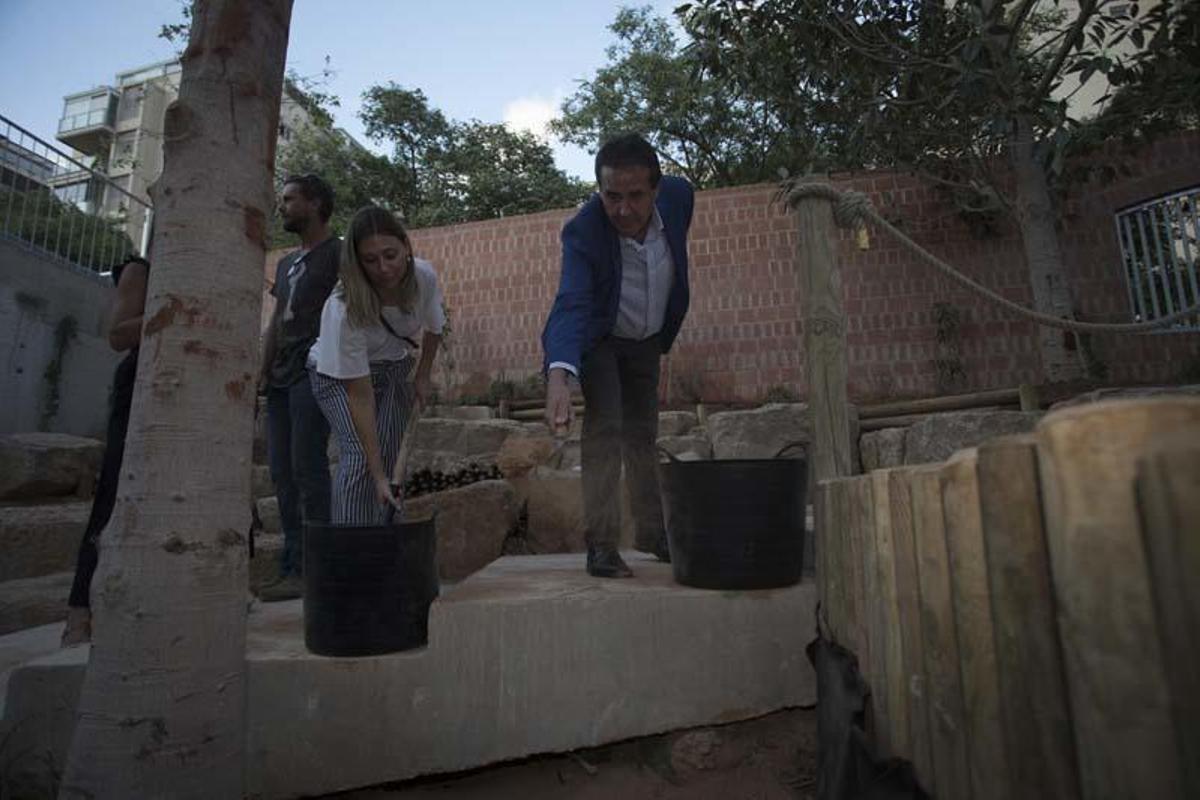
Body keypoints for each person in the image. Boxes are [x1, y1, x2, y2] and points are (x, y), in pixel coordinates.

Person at [541, 133, 694, 578]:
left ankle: (652, 532)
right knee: (607, 425)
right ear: (598, 190)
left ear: (657, 190)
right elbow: (571, 301)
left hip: (646, 338)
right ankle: (602, 546)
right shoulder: (584, 230)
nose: (623, 210)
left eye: (635, 196)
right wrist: (558, 377)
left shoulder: (681, 197)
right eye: (612, 197)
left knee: (642, 434)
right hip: (600, 337)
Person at [308, 206, 444, 523]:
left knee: (393, 453)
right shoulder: (344, 308)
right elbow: (360, 394)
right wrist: (379, 475)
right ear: (358, 262)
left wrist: (423, 375)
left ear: (406, 247)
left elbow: (435, 329)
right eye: (370, 260)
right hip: (337, 376)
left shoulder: (423, 277)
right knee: (360, 457)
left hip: (393, 367)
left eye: (391, 254)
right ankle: (352, 550)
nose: (384, 268)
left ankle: (386, 541)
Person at [257, 174, 339, 601]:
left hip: (315, 371)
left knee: (308, 468)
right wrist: (262, 368)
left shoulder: (339, 255)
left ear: (315, 202)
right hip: (280, 377)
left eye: (290, 200)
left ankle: (316, 568)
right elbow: (276, 321)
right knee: (281, 472)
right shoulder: (287, 264)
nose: (282, 207)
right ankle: (292, 565)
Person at [62, 254, 150, 646]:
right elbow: (117, 334)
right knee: (113, 493)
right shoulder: (141, 271)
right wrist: (176, 313)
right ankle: (80, 611)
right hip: (142, 384)